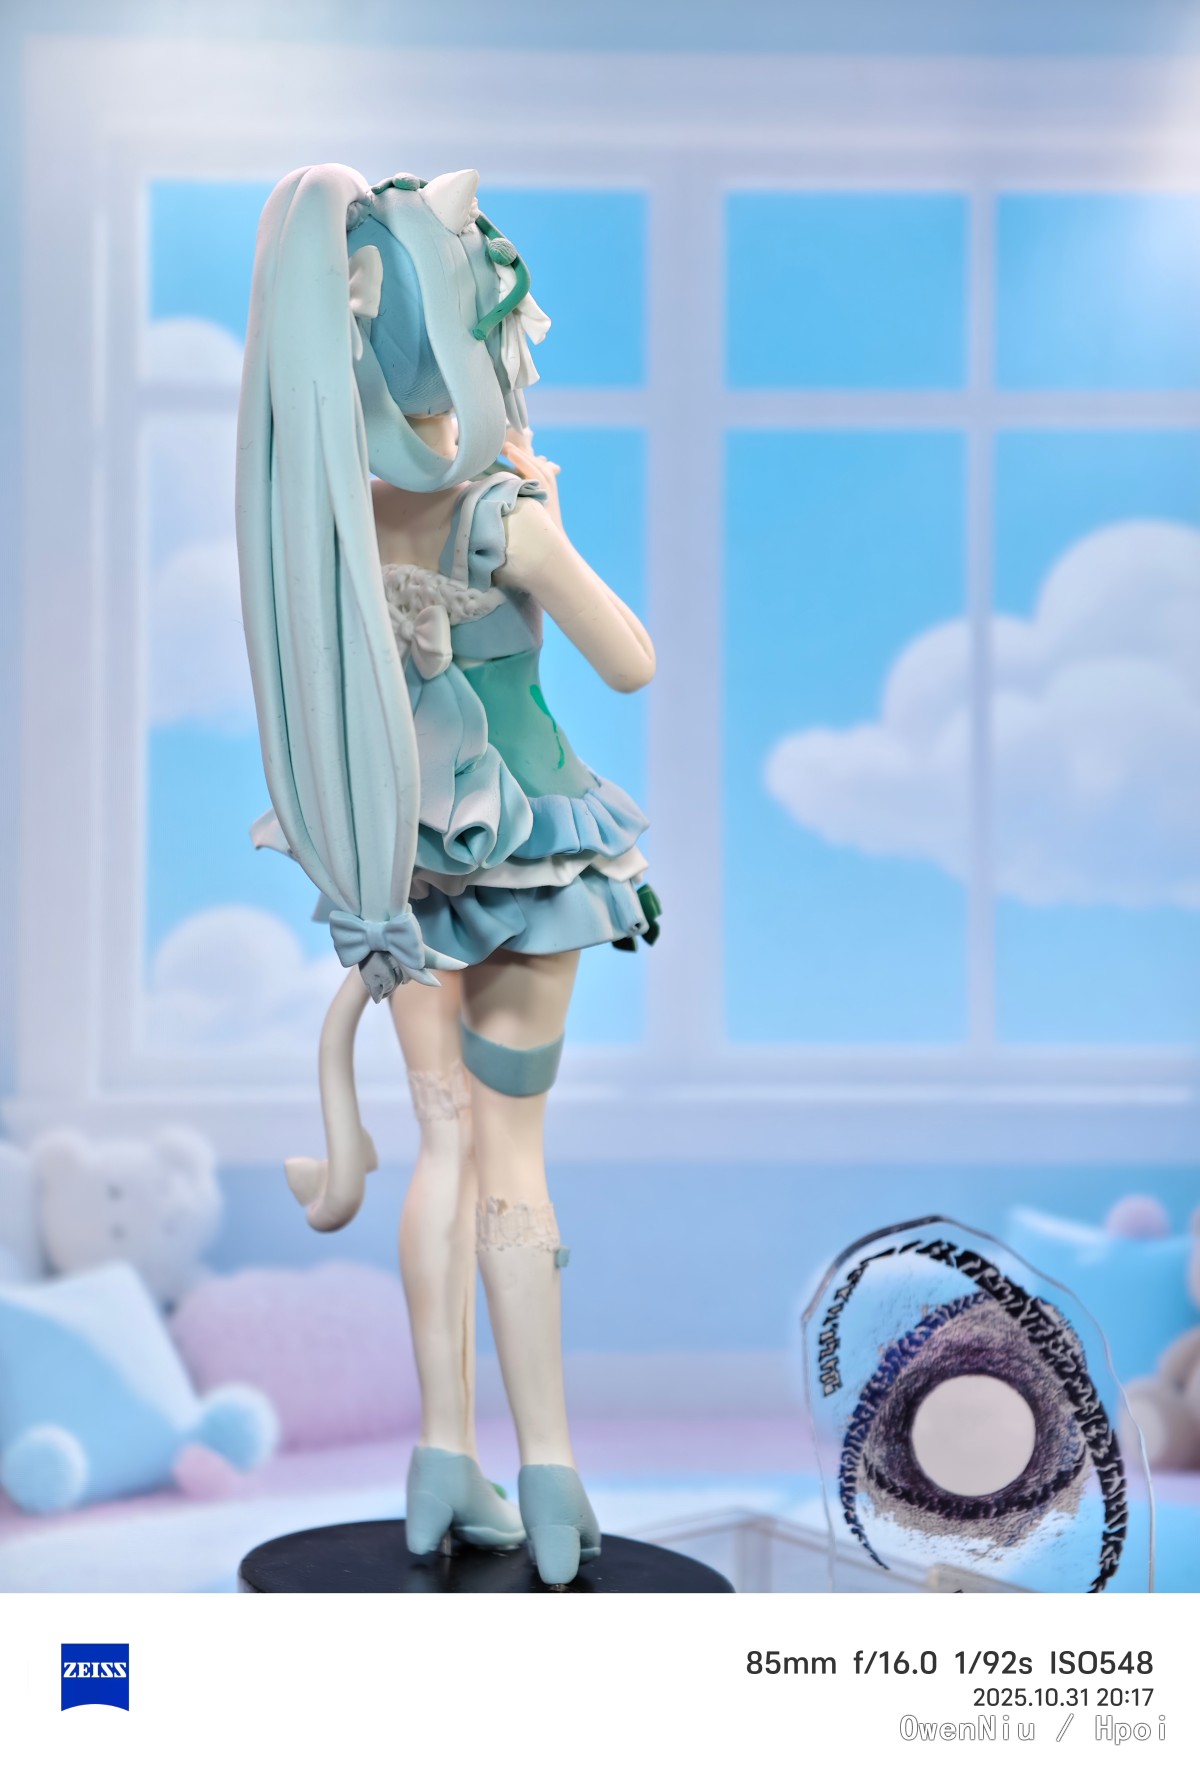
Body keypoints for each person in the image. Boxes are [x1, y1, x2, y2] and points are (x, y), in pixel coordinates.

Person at [236, 164, 656, 1585]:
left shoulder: (333, 520)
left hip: (403, 864)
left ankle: (437, 1459)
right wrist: (552, 525)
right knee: (514, 1158)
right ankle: (550, 1475)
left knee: (442, 1150)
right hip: (528, 857)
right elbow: (630, 660)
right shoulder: (503, 515)